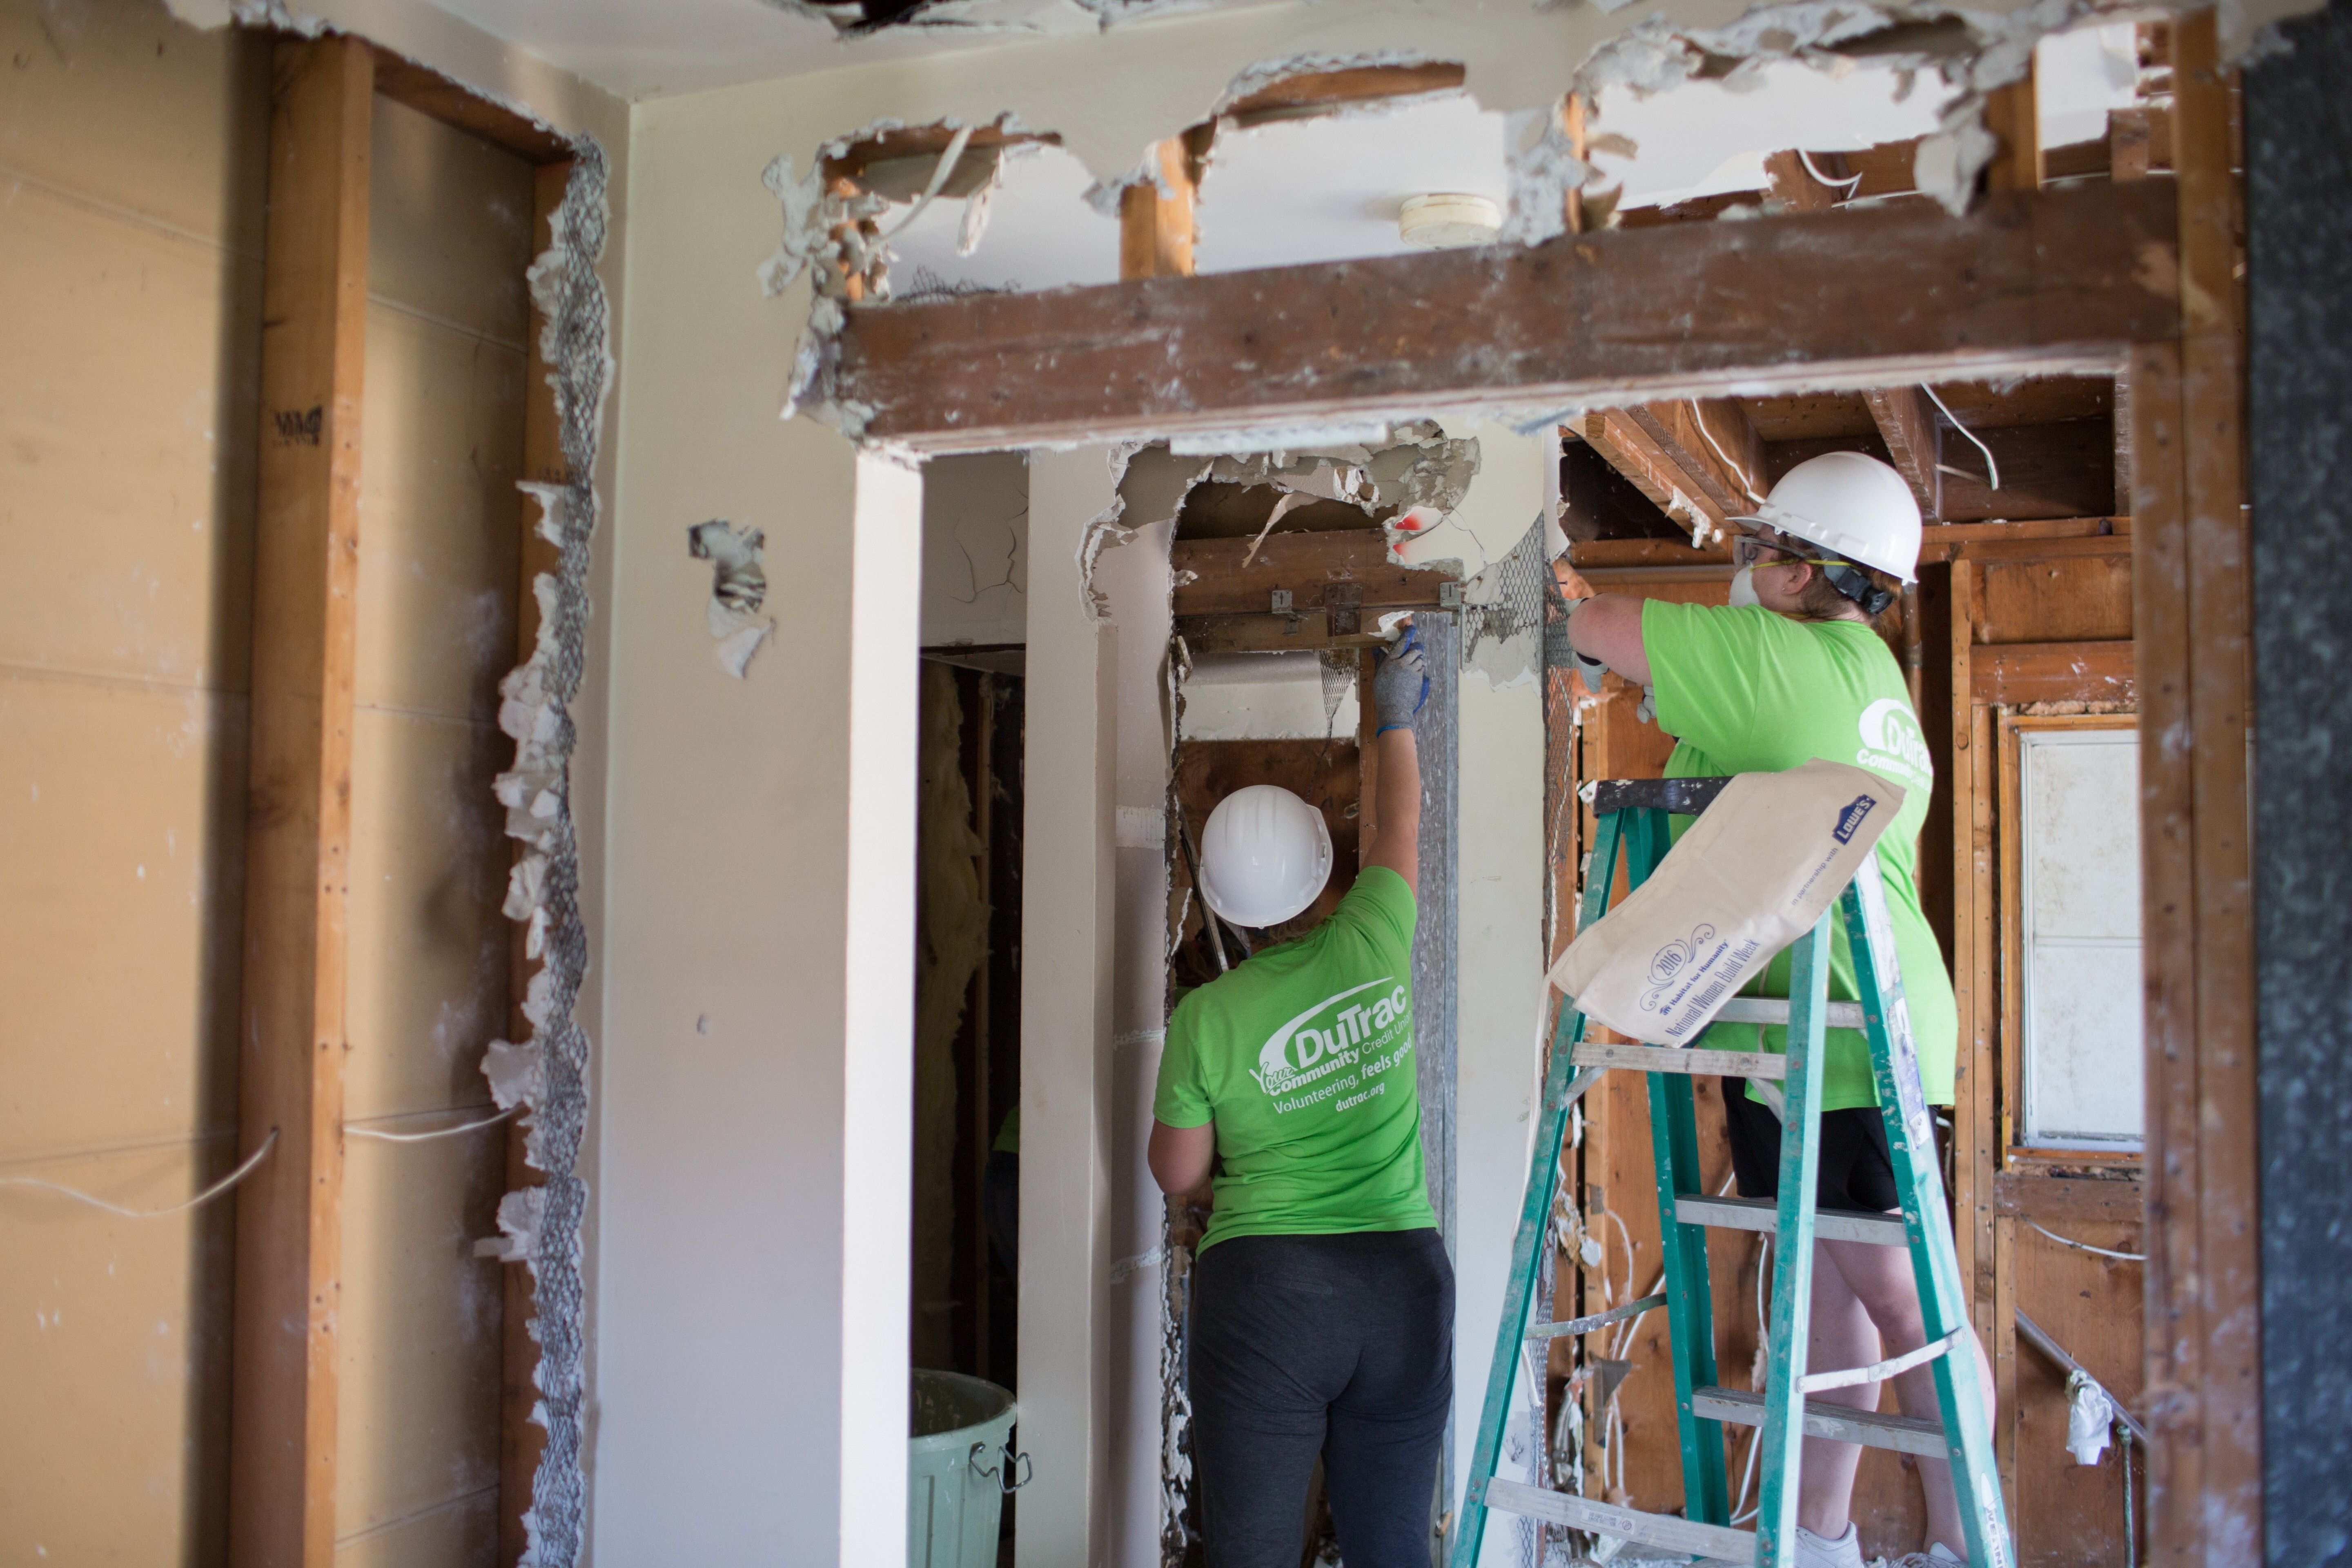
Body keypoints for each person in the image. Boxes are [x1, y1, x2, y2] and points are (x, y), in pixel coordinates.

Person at [1558, 451, 1989, 1568]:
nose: (1744, 569)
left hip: (1851, 1039)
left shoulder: (1792, 664)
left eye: (1760, 551)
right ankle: (1817, 1538)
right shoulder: (1855, 680)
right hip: (1792, 1038)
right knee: (1828, 1294)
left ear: (1804, 573)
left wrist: (1528, 574)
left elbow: (1598, 620)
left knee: (1910, 1308)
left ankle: (1965, 1546)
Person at [1149, 624, 1447, 1568]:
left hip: (1269, 1297)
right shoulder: (1372, 937)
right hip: (1402, 1285)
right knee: (1392, 1545)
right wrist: (1393, 715)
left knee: (1252, 1550)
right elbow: (1399, 827)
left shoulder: (1206, 1017)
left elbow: (1178, 1173)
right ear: (1324, 867)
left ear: (1224, 907)